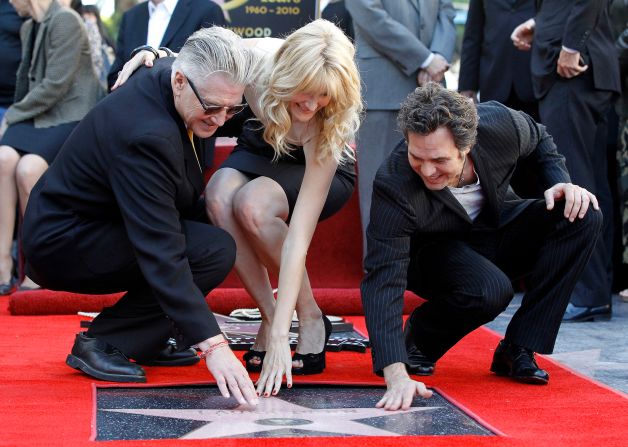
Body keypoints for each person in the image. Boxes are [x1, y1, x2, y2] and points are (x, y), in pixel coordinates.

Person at [116, 19, 362, 398]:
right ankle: (266, 314)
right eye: (304, 92)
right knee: (218, 195)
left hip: (314, 168)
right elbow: (194, 62)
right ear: (287, 72)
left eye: (324, 96)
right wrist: (149, 54)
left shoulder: (329, 118)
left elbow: (298, 238)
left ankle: (310, 317)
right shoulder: (257, 58)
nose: (311, 106)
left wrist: (286, 334)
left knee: (253, 204)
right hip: (263, 146)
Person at [22, 27, 259, 407]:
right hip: (64, 242)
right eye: (212, 107)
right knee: (209, 251)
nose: (219, 120)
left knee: (210, 243)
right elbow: (161, 252)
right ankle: (103, 341)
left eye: (233, 109)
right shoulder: (146, 135)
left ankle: (144, 337)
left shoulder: (173, 76)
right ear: (180, 81)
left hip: (101, 220)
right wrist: (214, 345)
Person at [361, 83, 602, 411]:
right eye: (417, 157)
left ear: (467, 146)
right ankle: (421, 335)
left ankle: (518, 347)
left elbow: (539, 136)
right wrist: (394, 369)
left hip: (495, 229)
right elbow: (382, 277)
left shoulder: (498, 125)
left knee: (581, 213)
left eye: (439, 160)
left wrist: (559, 181)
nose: (428, 170)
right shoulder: (394, 183)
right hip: (434, 255)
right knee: (490, 289)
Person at [511, 0, 620, 322]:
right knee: (592, 182)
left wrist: (571, 45)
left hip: (573, 70)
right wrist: (538, 22)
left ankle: (589, 294)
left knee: (577, 182)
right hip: (579, 69)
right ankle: (593, 292)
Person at [0, 0, 103, 294]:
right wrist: (16, 118)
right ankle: (3, 264)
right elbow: (25, 80)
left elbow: (55, 85)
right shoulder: (29, 26)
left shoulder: (67, 21)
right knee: (3, 157)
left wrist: (11, 116)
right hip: (40, 116)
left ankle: (39, 268)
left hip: (71, 116)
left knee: (28, 168)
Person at [344, 0, 457, 259]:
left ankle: (428, 263)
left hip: (433, 89)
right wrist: (424, 59)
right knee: (380, 184)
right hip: (383, 90)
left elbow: (446, 12)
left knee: (433, 183)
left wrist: (437, 58)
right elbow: (369, 15)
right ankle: (381, 265)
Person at [106, 0, 225, 90]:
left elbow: (213, 72)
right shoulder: (131, 16)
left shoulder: (207, 11)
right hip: (132, 112)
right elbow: (114, 76)